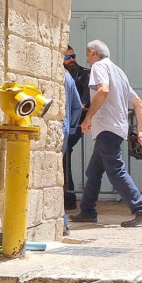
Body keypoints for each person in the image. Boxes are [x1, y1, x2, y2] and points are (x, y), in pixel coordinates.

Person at [70, 40, 142, 227]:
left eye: (87, 54)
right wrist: (140, 130)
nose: (87, 59)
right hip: (116, 128)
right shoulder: (119, 71)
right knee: (93, 171)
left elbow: (103, 90)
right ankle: (87, 211)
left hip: (106, 128)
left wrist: (88, 118)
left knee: (116, 170)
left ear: (94, 53)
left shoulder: (99, 66)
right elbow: (139, 103)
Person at [62, 45, 90, 211]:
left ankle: (69, 197)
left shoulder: (84, 74)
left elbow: (84, 101)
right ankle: (68, 197)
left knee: (65, 155)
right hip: (66, 122)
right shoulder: (60, 74)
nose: (72, 60)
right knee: (64, 157)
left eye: (73, 56)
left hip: (76, 123)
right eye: (67, 57)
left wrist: (75, 125)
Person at [62, 70, 82, 235]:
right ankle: (63, 222)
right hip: (64, 130)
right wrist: (71, 127)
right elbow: (77, 106)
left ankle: (62, 221)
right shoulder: (68, 76)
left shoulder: (58, 75)